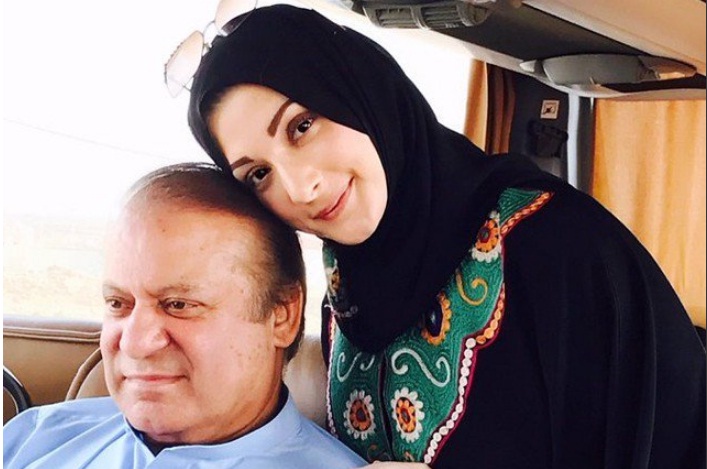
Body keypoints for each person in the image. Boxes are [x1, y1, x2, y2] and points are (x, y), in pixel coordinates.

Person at [180, 4, 706, 468]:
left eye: (302, 126)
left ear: (362, 93)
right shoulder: (345, 291)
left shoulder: (561, 247)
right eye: (259, 174)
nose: (301, 188)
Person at [2, 163, 366, 469]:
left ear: (281, 315)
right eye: (117, 303)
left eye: (178, 305)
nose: (134, 343)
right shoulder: (34, 437)